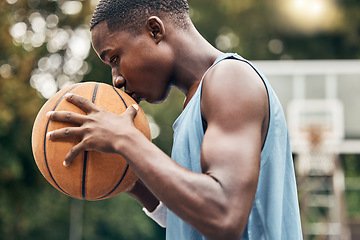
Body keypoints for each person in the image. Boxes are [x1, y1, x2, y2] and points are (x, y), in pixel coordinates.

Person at [46, 0, 303, 239]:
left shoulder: (230, 79)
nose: (117, 79)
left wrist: (126, 139)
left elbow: (224, 214)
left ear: (155, 30)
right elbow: (191, 217)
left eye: (115, 59)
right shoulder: (194, 104)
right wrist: (131, 177)